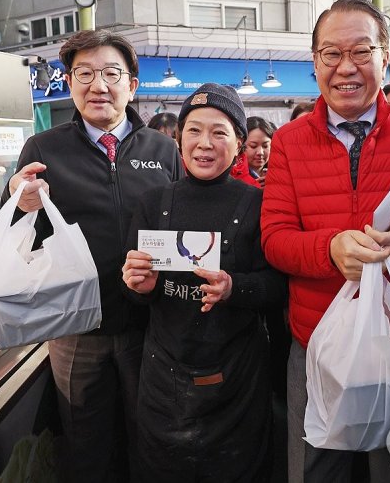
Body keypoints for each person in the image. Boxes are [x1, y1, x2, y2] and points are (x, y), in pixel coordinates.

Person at [261, 0, 390, 483]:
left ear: (384, 58)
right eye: (331, 54)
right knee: (314, 469)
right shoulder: (288, 142)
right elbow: (275, 239)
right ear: (315, 62)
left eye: (362, 52)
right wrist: (331, 250)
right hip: (316, 343)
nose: (346, 67)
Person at [3, 30, 183, 482]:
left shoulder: (161, 149)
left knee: (152, 436)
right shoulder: (45, 148)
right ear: (68, 82)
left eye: (110, 73)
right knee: (87, 443)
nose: (97, 85)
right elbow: (14, 234)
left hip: (150, 324)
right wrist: (18, 204)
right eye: (84, 73)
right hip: (75, 329)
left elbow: (182, 222)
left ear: (132, 86)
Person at [122, 83, 287, 482]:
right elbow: (138, 290)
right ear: (179, 139)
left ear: (239, 143)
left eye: (219, 132)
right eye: (194, 130)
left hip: (238, 375)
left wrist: (235, 289)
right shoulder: (153, 202)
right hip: (165, 374)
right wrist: (138, 287)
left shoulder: (258, 203)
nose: (204, 143)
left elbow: (279, 286)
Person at [245, 116, 275, 187]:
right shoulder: (233, 177)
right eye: (253, 146)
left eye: (265, 146)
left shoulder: (280, 174)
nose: (260, 152)